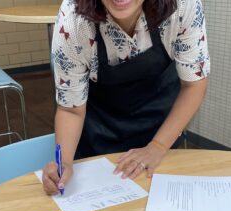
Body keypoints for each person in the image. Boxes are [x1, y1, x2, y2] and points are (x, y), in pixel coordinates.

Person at [43, 0, 210, 195]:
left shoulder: (181, 6)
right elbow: (71, 109)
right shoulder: (73, 20)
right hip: (99, 132)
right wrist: (64, 163)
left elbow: (193, 85)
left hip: (163, 131)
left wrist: (158, 146)